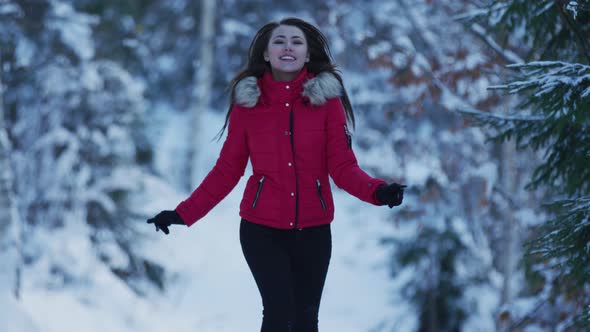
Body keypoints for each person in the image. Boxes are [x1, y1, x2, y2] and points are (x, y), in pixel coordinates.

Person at [147, 17, 406, 332]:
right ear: (266, 54)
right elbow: (227, 171)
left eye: (297, 42)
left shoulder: (327, 103)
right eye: (279, 41)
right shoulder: (249, 105)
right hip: (261, 230)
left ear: (307, 54)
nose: (288, 47)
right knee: (280, 316)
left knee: (306, 321)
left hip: (314, 230)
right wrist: (182, 213)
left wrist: (377, 192)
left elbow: (342, 167)